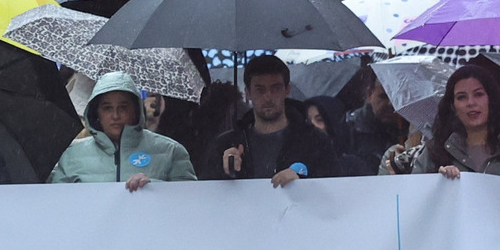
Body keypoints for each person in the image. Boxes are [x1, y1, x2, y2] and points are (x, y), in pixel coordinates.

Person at [390, 69, 500, 180]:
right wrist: (439, 182)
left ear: (491, 99)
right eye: (461, 97)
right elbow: (419, 199)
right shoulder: (435, 150)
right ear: (452, 105)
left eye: (478, 95)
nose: (471, 103)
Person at [50, 72, 196, 189]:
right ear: (97, 113)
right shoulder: (70, 155)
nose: (115, 116)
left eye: (123, 107)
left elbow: (191, 202)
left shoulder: (171, 151)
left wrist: (155, 189)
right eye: (107, 108)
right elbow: (57, 207)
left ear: (136, 111)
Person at [215, 54, 340, 187]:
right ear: (248, 93)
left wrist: (303, 183)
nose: (268, 97)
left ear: (287, 90)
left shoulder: (315, 141)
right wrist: (225, 171)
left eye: (275, 88)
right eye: (260, 90)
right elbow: (208, 194)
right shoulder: (226, 144)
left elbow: (333, 189)